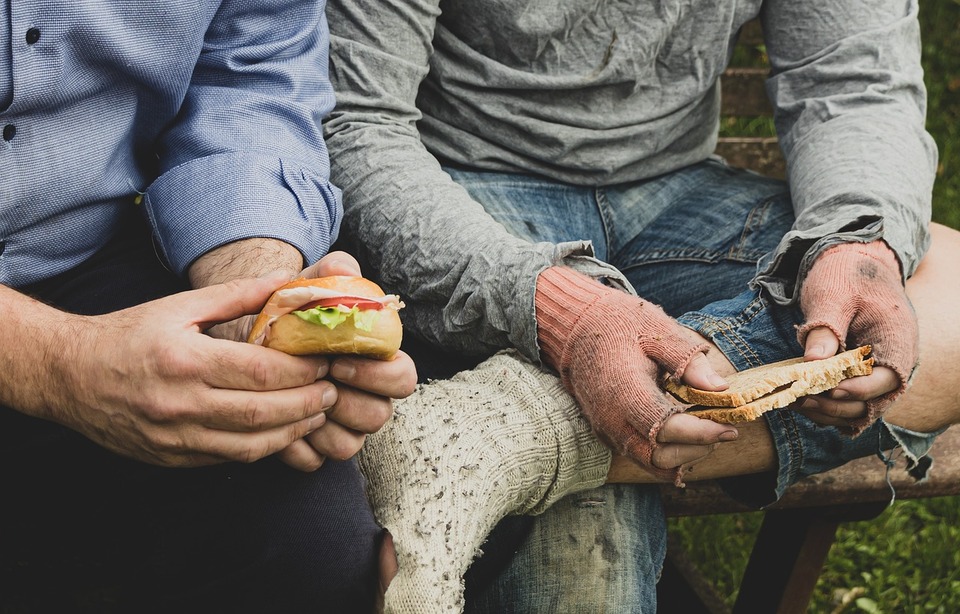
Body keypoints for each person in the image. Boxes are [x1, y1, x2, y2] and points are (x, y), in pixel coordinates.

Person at [322, 0, 960, 611]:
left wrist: (855, 249)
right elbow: (355, 121)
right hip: (459, 185)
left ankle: (502, 433)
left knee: (945, 296)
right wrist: (564, 313)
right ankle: (542, 429)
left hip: (680, 194)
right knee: (590, 543)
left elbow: (854, 84)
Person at [0, 2, 417, 611]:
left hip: (80, 253)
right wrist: (58, 364)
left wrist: (255, 308)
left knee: (308, 548)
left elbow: (249, 70)